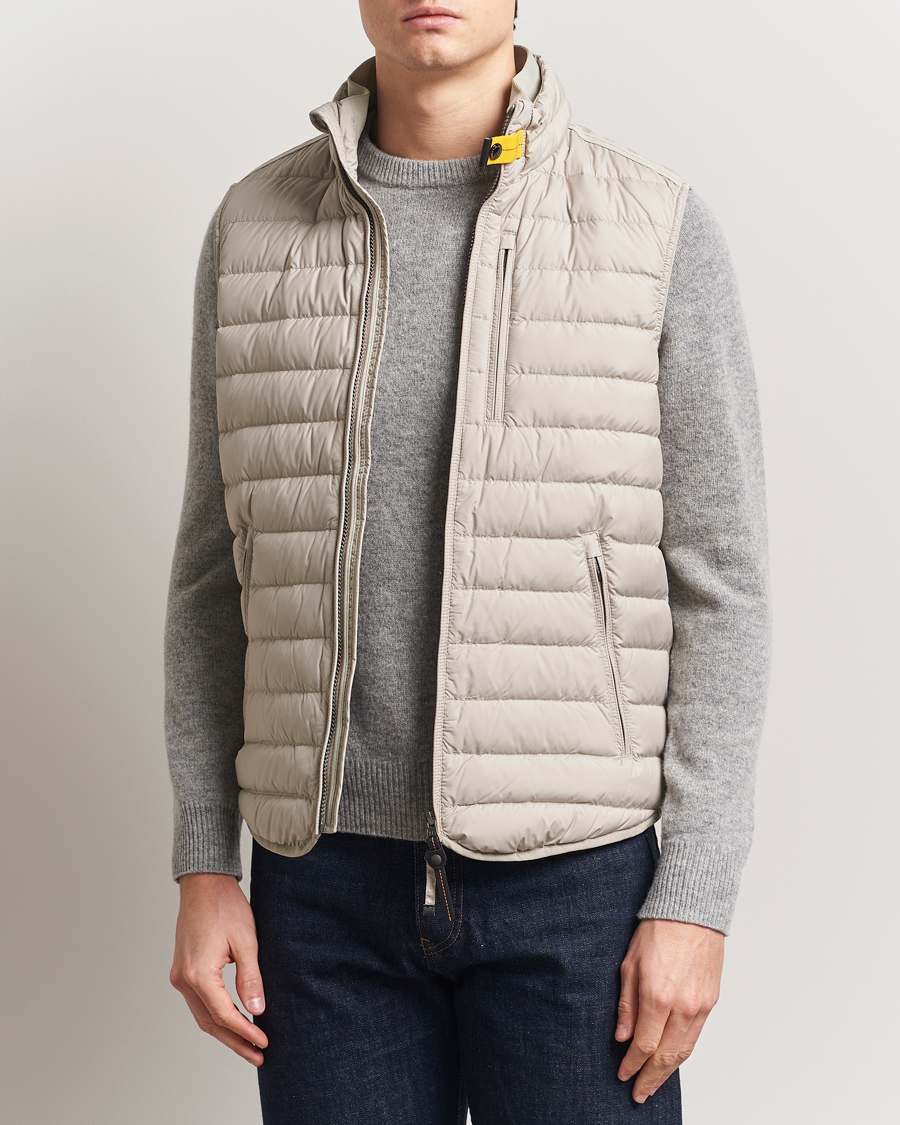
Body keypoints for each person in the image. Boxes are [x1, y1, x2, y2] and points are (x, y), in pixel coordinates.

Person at [165, 2, 771, 1122]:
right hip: (322, 890)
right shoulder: (253, 226)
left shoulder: (655, 229)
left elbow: (721, 582)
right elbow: (214, 574)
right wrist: (206, 864)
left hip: (577, 885)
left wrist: (694, 896)